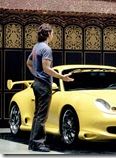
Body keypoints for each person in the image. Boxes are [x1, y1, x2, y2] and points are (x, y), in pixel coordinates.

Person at [26, 23, 74, 152]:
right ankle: (38, 143)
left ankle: (33, 143)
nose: (53, 35)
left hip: (37, 83)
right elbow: (47, 69)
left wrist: (36, 74)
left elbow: (29, 63)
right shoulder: (46, 49)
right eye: (52, 33)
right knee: (42, 116)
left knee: (38, 114)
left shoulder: (36, 47)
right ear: (48, 34)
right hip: (43, 85)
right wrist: (61, 77)